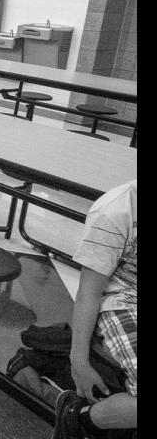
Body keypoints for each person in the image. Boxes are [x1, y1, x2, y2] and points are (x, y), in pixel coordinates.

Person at [51, 180, 136, 439]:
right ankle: (82, 418)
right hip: (121, 300)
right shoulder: (116, 211)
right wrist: (78, 360)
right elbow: (89, 292)